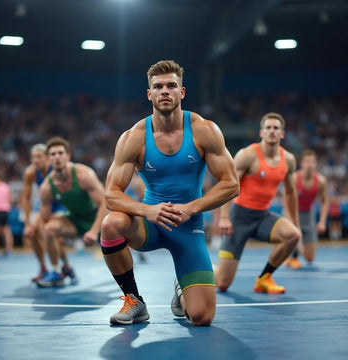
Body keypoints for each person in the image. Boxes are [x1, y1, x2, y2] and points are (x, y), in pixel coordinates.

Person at [100, 60, 239, 326]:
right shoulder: (133, 137)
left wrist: (192, 208)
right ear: (149, 94)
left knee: (201, 318)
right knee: (111, 224)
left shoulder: (204, 130)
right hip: (151, 224)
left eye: (171, 86)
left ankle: (182, 288)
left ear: (182, 92)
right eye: (159, 86)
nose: (165, 91)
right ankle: (134, 301)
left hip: (189, 227)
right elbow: (111, 195)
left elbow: (231, 183)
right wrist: (147, 210)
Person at [214, 112, 301, 294]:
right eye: (268, 128)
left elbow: (291, 192)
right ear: (261, 132)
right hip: (238, 219)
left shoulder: (289, 160)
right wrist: (224, 217)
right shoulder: (247, 155)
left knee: (293, 235)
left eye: (276, 128)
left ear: (282, 134)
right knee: (222, 283)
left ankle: (264, 279)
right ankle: (202, 271)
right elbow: (227, 185)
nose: (271, 131)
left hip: (262, 217)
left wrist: (295, 222)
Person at [37, 136, 108, 287]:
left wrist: (94, 231)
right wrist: (55, 240)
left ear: (68, 156)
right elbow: (45, 220)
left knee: (125, 241)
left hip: (97, 218)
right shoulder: (47, 187)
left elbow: (105, 203)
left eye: (60, 153)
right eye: (53, 154)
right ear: (49, 159)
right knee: (49, 229)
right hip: (74, 220)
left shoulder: (84, 175)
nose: (57, 157)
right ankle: (58, 272)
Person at [22, 143, 72, 282]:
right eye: (33, 157)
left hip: (60, 204)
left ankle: (66, 266)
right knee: (32, 233)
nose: (35, 160)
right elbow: (25, 198)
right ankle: (43, 268)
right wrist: (27, 223)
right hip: (44, 205)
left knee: (52, 235)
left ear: (47, 158)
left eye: (39, 157)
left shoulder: (56, 169)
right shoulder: (30, 173)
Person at [285, 150, 329, 268]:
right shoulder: (294, 179)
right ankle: (293, 256)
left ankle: (289, 250)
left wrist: (322, 222)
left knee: (310, 258)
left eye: (312, 162)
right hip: (293, 211)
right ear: (302, 163)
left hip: (308, 213)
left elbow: (325, 201)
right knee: (294, 235)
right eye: (307, 162)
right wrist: (291, 220)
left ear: (316, 164)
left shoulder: (321, 181)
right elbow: (285, 200)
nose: (310, 165)